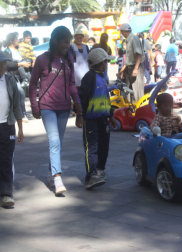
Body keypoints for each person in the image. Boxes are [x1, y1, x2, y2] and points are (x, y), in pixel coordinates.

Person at [29, 26, 82, 195]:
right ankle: (58, 178)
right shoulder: (42, 60)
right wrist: (34, 105)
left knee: (58, 142)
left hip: (64, 107)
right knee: (54, 141)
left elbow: (72, 85)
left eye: (69, 39)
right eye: (64, 39)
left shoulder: (69, 59)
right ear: (55, 41)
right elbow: (32, 84)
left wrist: (78, 105)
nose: (68, 43)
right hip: (47, 107)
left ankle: (51, 174)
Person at [78, 48, 116, 190]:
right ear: (100, 62)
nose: (107, 64)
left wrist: (110, 116)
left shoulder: (102, 77)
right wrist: (80, 116)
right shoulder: (89, 78)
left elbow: (106, 99)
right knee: (92, 147)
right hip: (91, 120)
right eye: (106, 61)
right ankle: (91, 175)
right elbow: (82, 98)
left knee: (104, 146)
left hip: (103, 119)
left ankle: (100, 170)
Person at [0, 51, 23, 208]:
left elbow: (16, 106)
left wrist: (20, 128)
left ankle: (7, 194)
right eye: (2, 63)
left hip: (7, 125)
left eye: (4, 63)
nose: (4, 66)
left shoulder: (9, 80)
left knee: (6, 160)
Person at [4, 32, 31, 122]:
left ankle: (20, 114)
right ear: (11, 40)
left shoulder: (18, 50)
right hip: (12, 76)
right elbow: (8, 65)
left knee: (20, 94)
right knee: (20, 93)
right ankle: (22, 114)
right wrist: (21, 64)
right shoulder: (7, 51)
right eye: (16, 38)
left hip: (21, 75)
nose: (18, 40)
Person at [120, 23, 145, 101]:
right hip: (130, 68)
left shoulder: (133, 39)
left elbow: (139, 54)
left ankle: (139, 110)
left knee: (137, 93)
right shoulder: (128, 40)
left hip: (135, 67)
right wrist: (124, 69)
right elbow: (129, 58)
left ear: (124, 31)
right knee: (130, 91)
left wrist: (136, 69)